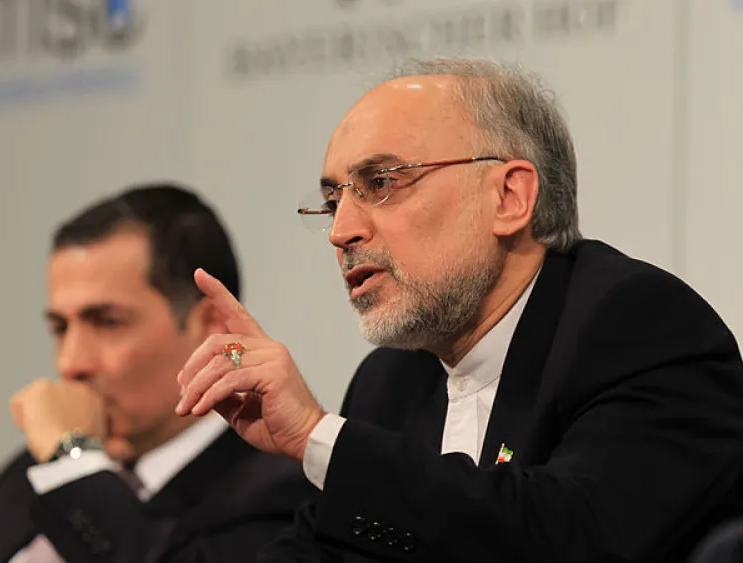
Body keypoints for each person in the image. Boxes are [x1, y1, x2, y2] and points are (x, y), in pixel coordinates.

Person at [175, 58, 743, 563]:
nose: (341, 231)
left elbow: (573, 535)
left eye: (381, 182)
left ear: (509, 198)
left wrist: (316, 436)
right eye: (332, 202)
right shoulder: (391, 380)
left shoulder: (638, 326)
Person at [0, 183, 317, 563]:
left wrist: (71, 458)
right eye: (60, 328)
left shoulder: (276, 491)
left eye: (107, 322)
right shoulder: (37, 471)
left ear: (209, 328)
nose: (70, 363)